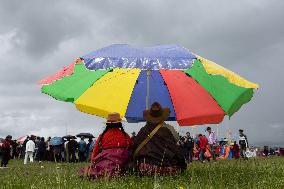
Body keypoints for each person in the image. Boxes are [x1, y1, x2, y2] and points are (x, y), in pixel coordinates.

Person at [131, 102, 186, 176]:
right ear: (162, 117)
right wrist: (183, 165)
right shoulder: (167, 131)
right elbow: (176, 151)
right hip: (166, 170)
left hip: (145, 169)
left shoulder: (143, 131)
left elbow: (134, 148)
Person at [80, 112, 132, 179]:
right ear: (119, 123)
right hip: (122, 161)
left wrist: (93, 162)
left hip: (106, 160)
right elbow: (131, 147)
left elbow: (95, 151)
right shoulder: (125, 135)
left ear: (107, 124)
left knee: (99, 169)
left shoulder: (102, 136)